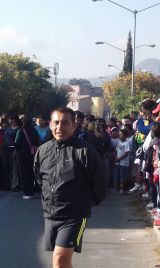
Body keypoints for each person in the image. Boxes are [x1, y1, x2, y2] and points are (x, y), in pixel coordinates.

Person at [33, 107, 107, 268]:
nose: (60, 127)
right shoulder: (43, 151)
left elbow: (100, 181)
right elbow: (40, 179)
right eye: (56, 123)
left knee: (60, 259)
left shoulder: (85, 151)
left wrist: (86, 203)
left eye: (65, 123)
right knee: (61, 262)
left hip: (74, 216)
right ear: (50, 125)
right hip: (50, 214)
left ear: (74, 125)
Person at [15, 115, 39, 200]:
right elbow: (37, 141)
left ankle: (26, 192)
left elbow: (17, 143)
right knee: (31, 173)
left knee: (24, 174)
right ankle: (31, 191)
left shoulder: (20, 131)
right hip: (32, 155)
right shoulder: (34, 131)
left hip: (22, 155)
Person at [115, 128, 130, 194]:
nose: (119, 135)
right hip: (118, 162)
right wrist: (116, 158)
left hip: (124, 163)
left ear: (125, 136)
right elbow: (117, 150)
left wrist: (119, 158)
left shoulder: (127, 143)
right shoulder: (119, 142)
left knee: (123, 176)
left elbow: (126, 153)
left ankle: (123, 189)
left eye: (121, 134)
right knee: (118, 175)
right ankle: (118, 188)